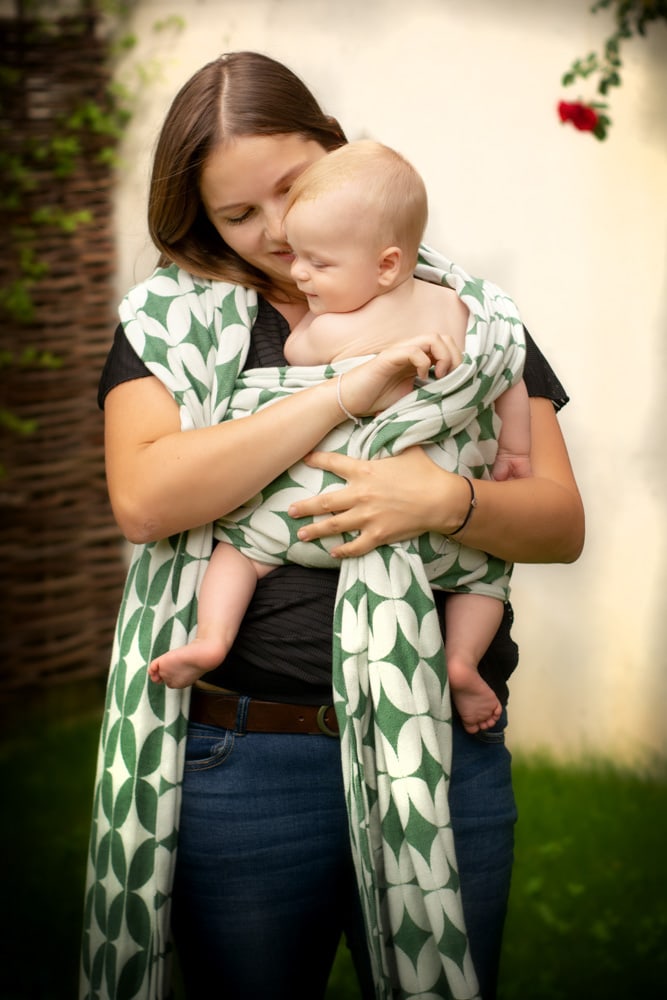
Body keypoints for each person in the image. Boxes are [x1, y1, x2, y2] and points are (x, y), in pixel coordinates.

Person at [81, 51, 584, 1000]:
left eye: (290, 188)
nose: (274, 232)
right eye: (238, 214)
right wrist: (336, 397)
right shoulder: (169, 324)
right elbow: (146, 498)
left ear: (337, 152)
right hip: (247, 759)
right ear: (201, 221)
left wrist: (443, 502)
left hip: (438, 748)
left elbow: (557, 522)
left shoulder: (465, 313)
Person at [148, 139, 532, 737]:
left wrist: (324, 335)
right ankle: (459, 661)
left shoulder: (329, 327)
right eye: (297, 256)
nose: (298, 272)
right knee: (484, 580)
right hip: (436, 539)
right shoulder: (467, 310)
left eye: (317, 263)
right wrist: (514, 453)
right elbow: (506, 371)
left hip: (323, 514)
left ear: (385, 265)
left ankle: (212, 637)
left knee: (243, 550)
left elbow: (295, 359)